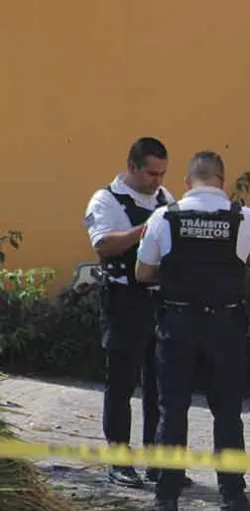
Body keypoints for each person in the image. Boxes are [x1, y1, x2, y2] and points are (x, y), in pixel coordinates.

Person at [134, 150, 250, 511]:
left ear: (186, 183)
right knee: (228, 413)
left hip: (178, 326)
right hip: (226, 327)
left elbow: (143, 272)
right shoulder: (245, 218)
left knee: (172, 410)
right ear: (223, 182)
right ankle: (233, 496)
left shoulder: (164, 217)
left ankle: (167, 498)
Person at [83, 136, 192, 489]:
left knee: (158, 384)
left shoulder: (165, 199)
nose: (158, 181)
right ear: (132, 167)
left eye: (163, 173)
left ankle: (156, 461)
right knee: (122, 382)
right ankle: (119, 459)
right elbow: (103, 244)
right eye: (151, 173)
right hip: (123, 300)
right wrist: (143, 230)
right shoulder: (107, 199)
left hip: (159, 300)